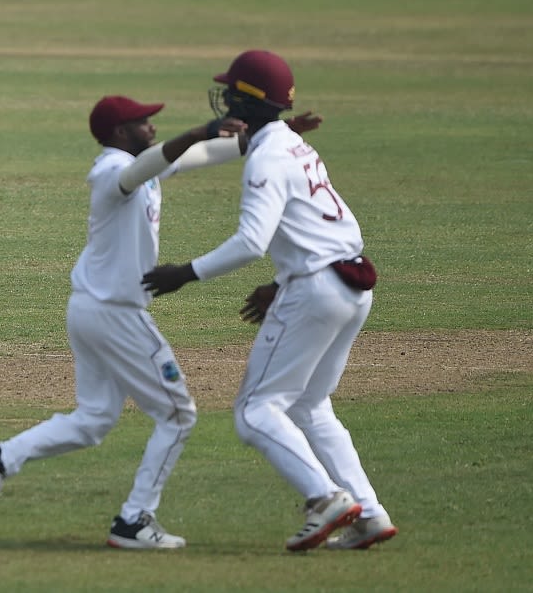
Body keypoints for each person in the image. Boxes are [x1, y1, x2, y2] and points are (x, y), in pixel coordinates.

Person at [0, 96, 315, 548]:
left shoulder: (142, 166)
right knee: (177, 414)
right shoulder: (112, 170)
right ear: (118, 133)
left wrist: (272, 139)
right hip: (115, 315)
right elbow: (148, 166)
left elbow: (198, 156)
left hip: (92, 310)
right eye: (142, 122)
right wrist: (196, 130)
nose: (151, 126)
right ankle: (134, 520)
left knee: (93, 419)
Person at [142, 50, 398, 552]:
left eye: (232, 91)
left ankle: (325, 498)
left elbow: (250, 243)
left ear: (242, 100)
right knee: (309, 405)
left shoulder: (267, 156)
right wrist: (286, 280)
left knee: (256, 412)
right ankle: (368, 514)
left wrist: (183, 274)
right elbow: (328, 228)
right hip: (350, 285)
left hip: (317, 290)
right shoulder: (291, 143)